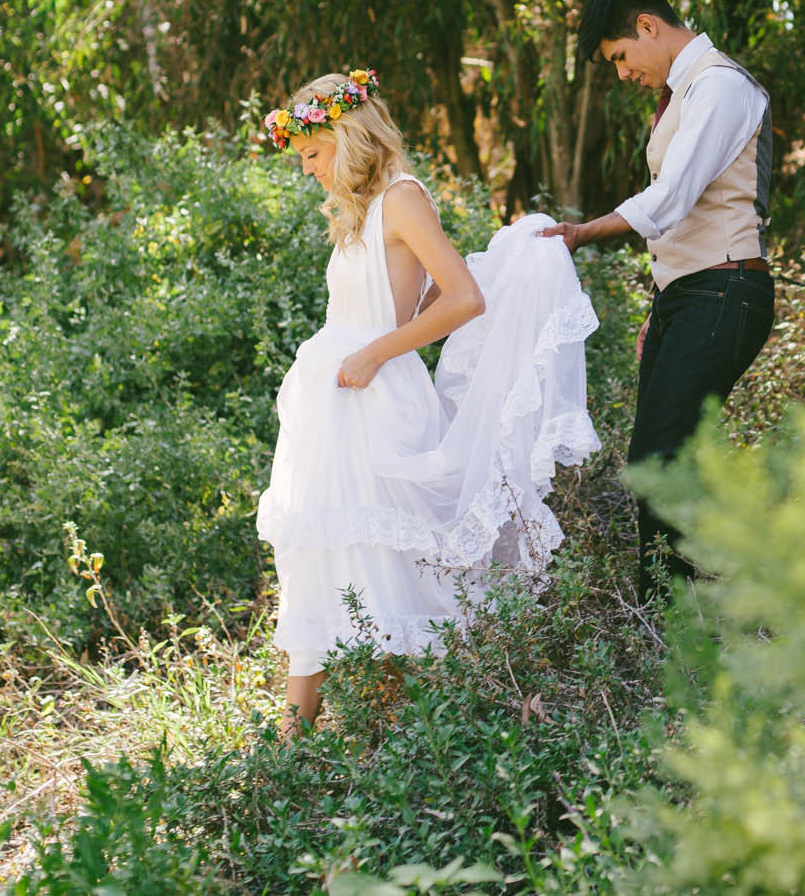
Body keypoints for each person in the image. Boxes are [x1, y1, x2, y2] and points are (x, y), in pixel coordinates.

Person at [256, 69, 601, 733]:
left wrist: (375, 351)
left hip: (377, 396)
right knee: (324, 559)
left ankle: (405, 732)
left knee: (391, 566)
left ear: (346, 134)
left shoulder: (402, 198)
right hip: (336, 409)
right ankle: (296, 739)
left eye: (311, 152)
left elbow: (465, 296)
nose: (306, 169)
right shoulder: (357, 211)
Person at [539, 0, 775, 596]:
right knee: (664, 458)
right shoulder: (688, 91)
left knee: (657, 462)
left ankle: (666, 618)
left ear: (648, 26)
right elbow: (679, 222)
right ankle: (700, 597)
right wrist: (662, 304)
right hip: (692, 293)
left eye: (619, 57)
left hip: (726, 290)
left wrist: (583, 232)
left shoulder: (719, 86)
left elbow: (672, 198)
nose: (621, 73)